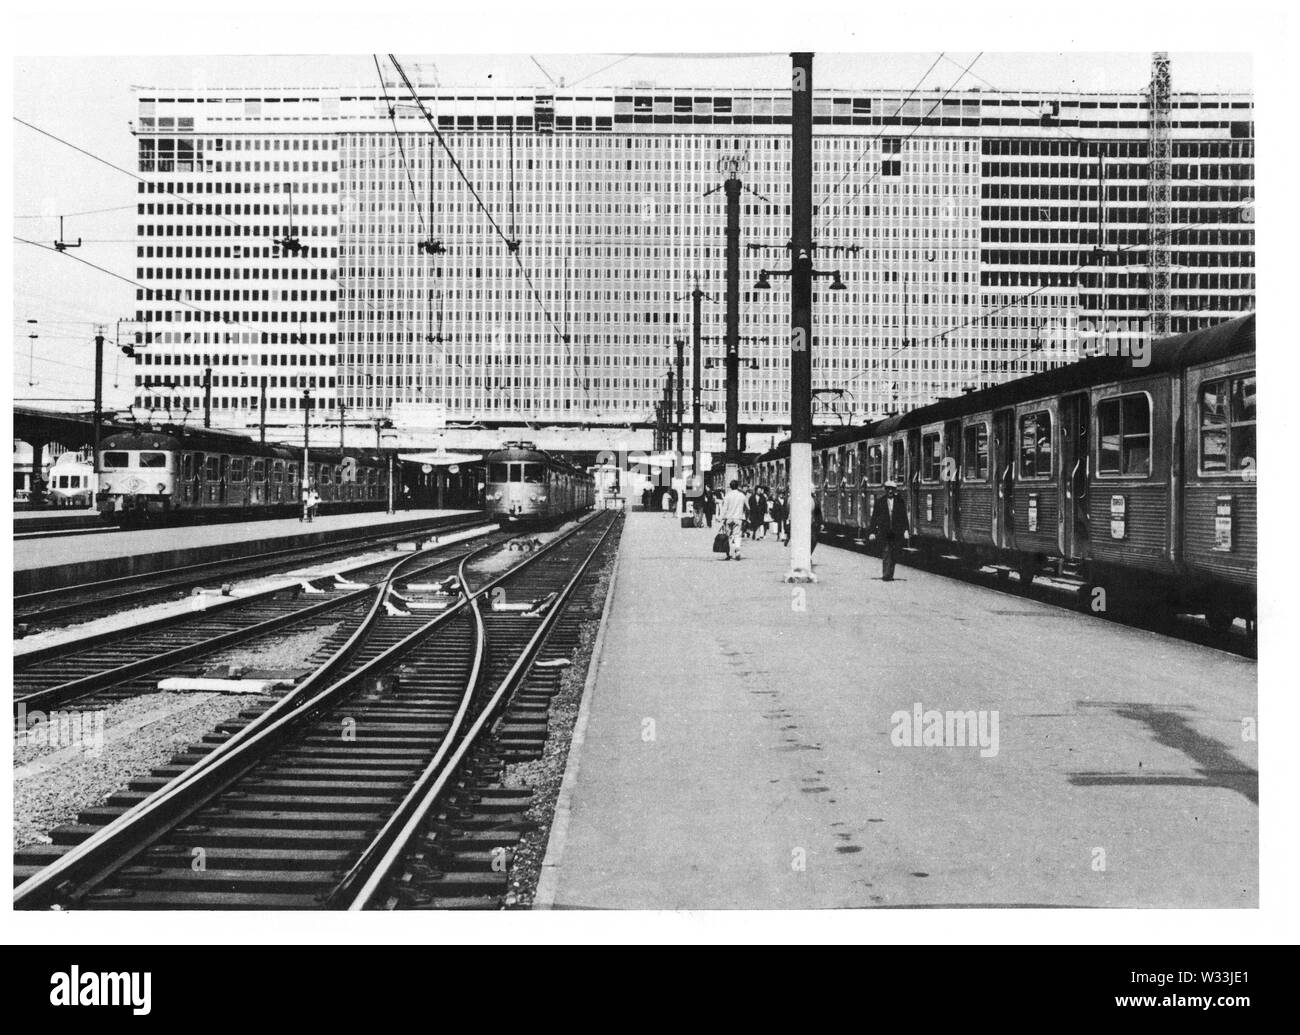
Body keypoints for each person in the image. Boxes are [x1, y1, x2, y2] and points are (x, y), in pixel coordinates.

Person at [867, 479, 910, 581]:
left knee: (894, 553)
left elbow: (904, 517)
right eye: (888, 489)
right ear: (885, 490)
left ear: (894, 490)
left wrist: (906, 530)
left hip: (896, 532)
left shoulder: (900, 502)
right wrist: (872, 532)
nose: (890, 491)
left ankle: (890, 574)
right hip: (884, 531)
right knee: (886, 552)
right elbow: (874, 518)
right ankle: (886, 575)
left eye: (892, 489)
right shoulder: (880, 502)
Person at [718, 479, 748, 560]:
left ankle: (729, 554)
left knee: (729, 536)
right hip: (738, 518)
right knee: (737, 535)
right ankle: (737, 550)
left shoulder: (728, 495)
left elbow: (724, 509)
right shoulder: (742, 495)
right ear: (738, 486)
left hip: (729, 519)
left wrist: (720, 518)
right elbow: (748, 507)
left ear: (730, 487)